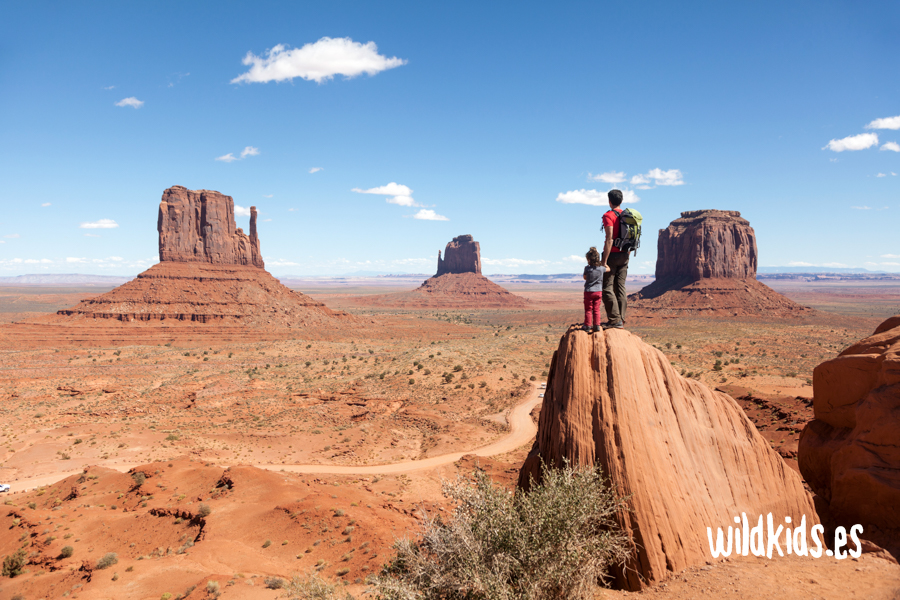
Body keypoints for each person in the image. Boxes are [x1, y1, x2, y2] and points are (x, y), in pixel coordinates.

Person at [600, 189, 628, 329]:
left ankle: (615, 320)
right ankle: (621, 320)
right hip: (625, 255)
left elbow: (609, 239)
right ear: (621, 201)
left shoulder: (608, 215)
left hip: (612, 255)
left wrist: (604, 262)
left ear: (609, 201)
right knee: (620, 287)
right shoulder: (626, 215)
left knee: (607, 288)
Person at [582, 246, 604, 333]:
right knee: (596, 309)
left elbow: (584, 278)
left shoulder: (587, 268)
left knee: (588, 309)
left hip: (588, 292)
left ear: (588, 259)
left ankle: (587, 326)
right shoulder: (601, 269)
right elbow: (608, 269)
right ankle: (597, 325)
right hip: (598, 291)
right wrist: (604, 264)